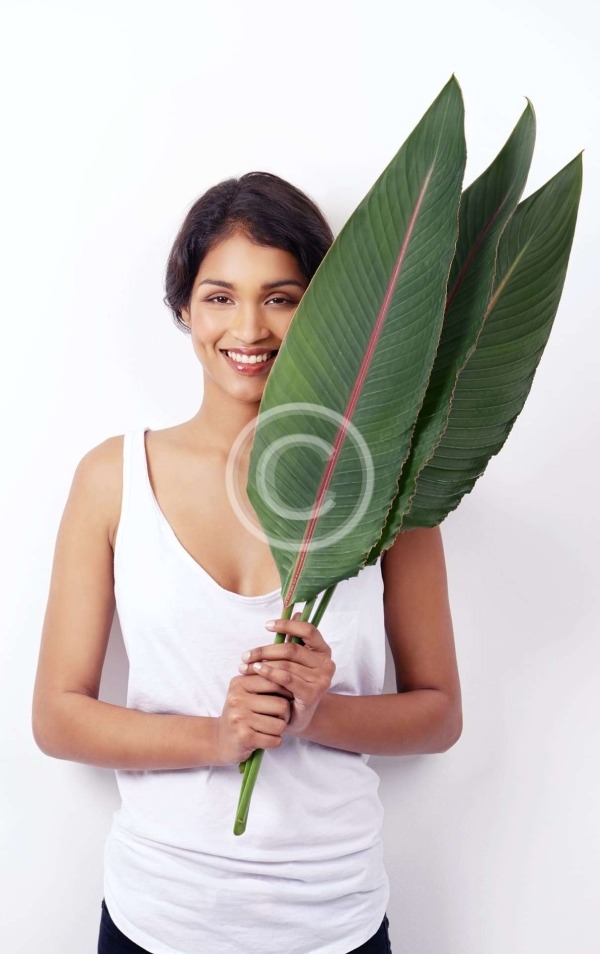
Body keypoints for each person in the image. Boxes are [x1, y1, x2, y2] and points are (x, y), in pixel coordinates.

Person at [31, 171, 463, 954]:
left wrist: (315, 713)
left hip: (335, 920)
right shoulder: (114, 477)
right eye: (220, 295)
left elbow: (439, 714)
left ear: (327, 313)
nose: (250, 327)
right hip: (157, 917)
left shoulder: (387, 486)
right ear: (184, 308)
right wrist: (218, 737)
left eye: (284, 297)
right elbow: (59, 716)